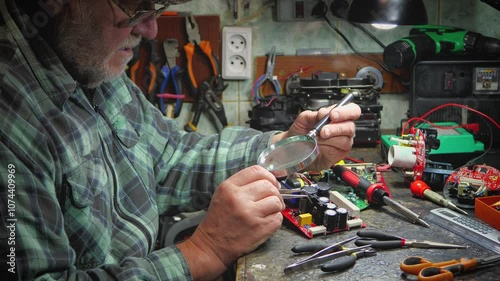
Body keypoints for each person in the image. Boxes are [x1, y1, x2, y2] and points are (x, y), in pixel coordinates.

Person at [0, 0, 361, 280]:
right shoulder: (12, 118)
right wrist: (206, 250)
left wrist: (284, 147)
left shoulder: (90, 59)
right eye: (133, 6)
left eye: (155, 6)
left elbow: (170, 156)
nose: (152, 29)